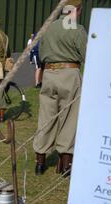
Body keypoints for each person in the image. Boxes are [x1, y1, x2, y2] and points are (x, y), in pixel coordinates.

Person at [33, 0, 87, 176]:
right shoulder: (77, 29)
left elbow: (40, 54)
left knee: (46, 117)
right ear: (77, 10)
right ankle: (65, 164)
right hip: (69, 74)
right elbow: (87, 55)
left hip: (49, 74)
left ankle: (39, 162)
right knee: (69, 118)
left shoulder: (49, 27)